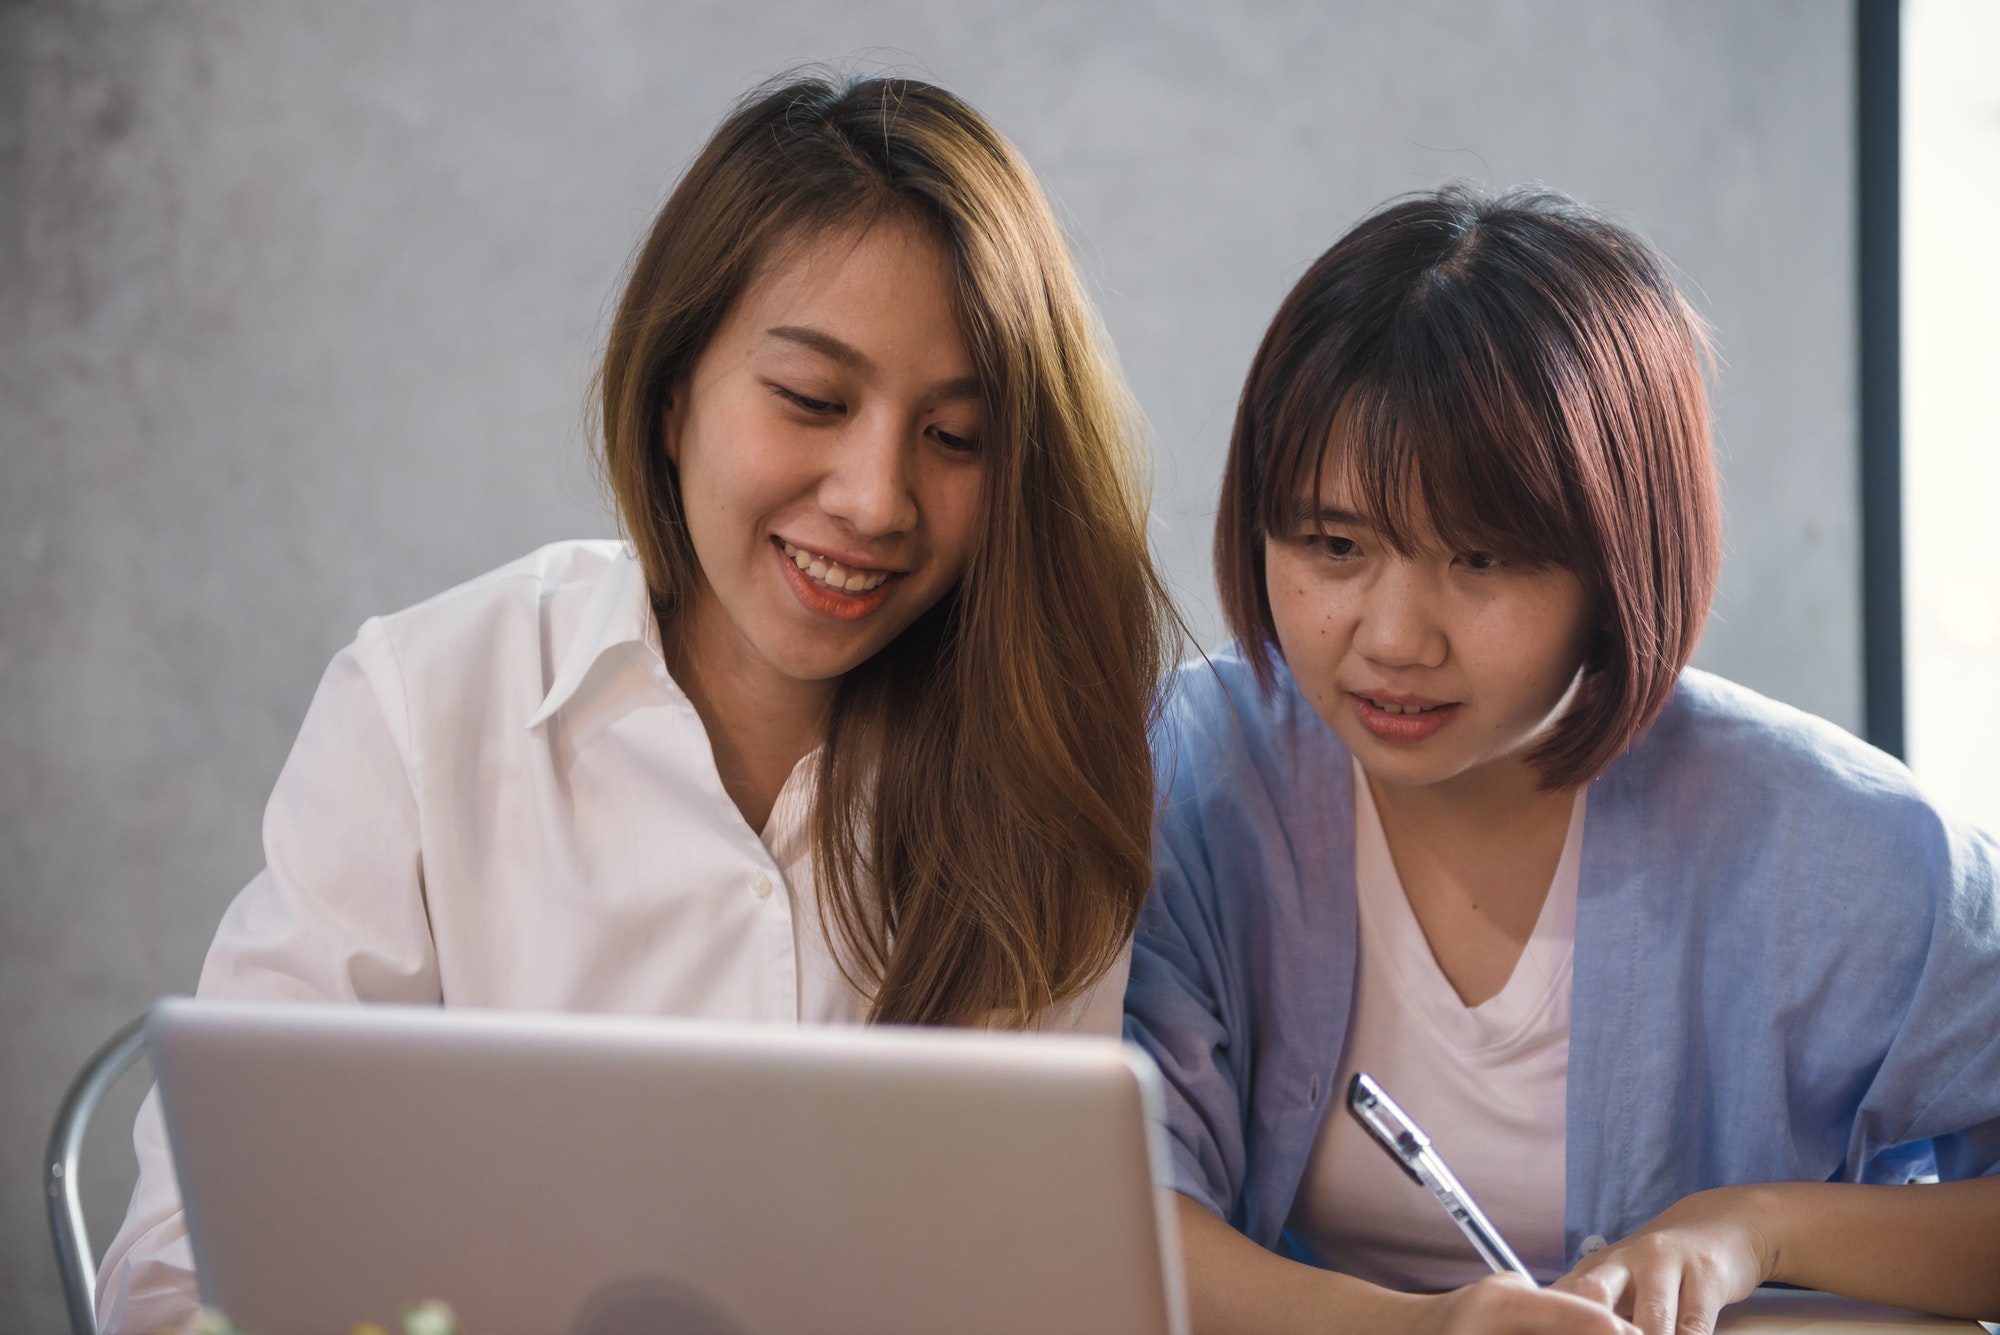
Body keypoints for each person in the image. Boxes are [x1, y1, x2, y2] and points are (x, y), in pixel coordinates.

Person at [97, 74, 1175, 1332]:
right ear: (673, 396)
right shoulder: (425, 705)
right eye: (812, 401)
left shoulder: (1039, 772)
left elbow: (1038, 1298)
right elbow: (180, 1276)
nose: (877, 499)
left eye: (955, 437)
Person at [1124, 186, 2000, 1335]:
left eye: (1480, 559)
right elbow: (1120, 1218)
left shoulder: (1844, 847)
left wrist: (1754, 1227)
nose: (1391, 638)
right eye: (1331, 546)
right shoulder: (1188, 778)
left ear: (1619, 564)